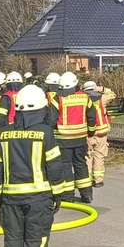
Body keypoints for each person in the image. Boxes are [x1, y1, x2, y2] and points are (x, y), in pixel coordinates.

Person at [0, 84, 67, 247]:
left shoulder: (3, 134)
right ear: (41, 109)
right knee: (35, 243)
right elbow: (54, 167)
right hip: (39, 200)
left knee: (12, 243)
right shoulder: (46, 134)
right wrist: (58, 193)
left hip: (9, 200)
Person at [50, 72, 97, 203]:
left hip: (63, 139)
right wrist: (91, 133)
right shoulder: (85, 97)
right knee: (81, 164)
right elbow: (92, 118)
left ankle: (68, 196)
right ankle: (87, 194)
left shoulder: (57, 98)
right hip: (80, 138)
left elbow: (51, 120)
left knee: (65, 166)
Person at [82, 81, 111, 188]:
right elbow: (113, 94)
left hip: (88, 133)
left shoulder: (82, 99)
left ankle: (87, 179)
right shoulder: (102, 98)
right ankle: (98, 180)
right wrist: (101, 89)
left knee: (88, 156)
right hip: (102, 133)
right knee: (99, 156)